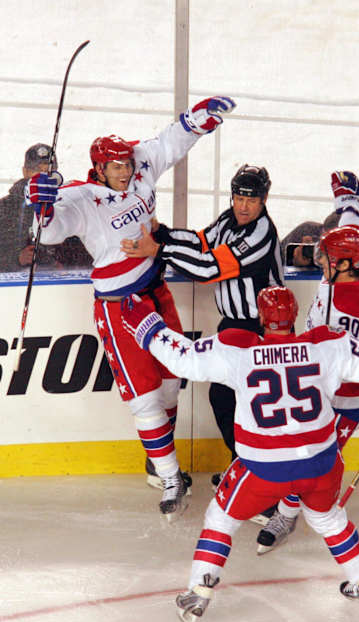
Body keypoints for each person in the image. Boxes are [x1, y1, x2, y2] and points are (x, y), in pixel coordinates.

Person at [119, 285, 359, 622]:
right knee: (328, 519)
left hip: (265, 467)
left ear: (260, 317)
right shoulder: (326, 345)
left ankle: (198, 592)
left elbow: (184, 358)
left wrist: (148, 325)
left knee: (221, 518)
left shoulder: (238, 348)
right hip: (322, 463)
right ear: (294, 315)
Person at [25, 95, 236, 520]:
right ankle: (170, 475)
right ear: (99, 168)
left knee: (172, 381)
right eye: (117, 166)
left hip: (156, 290)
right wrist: (41, 204)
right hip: (119, 307)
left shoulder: (139, 166)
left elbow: (167, 143)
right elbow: (48, 232)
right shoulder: (81, 197)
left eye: (126, 164)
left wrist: (196, 121)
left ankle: (158, 460)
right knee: (144, 398)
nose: (126, 171)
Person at [120, 164, 284, 494]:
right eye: (238, 197)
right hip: (235, 326)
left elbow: (209, 268)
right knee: (228, 400)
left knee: (240, 402)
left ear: (264, 199)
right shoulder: (229, 219)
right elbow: (201, 241)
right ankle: (247, 471)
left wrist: (160, 249)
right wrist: (163, 232)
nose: (242, 206)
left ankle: (259, 485)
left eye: (251, 200)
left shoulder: (260, 234)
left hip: (263, 331)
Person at [257, 171, 359, 553]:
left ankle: (287, 515)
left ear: (345, 264)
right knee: (306, 452)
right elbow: (351, 220)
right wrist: (347, 197)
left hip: (343, 396)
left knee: (313, 456)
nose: (318, 261)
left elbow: (326, 357)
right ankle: (291, 506)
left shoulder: (343, 309)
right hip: (328, 391)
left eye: (326, 258)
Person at [0, 143, 91, 272]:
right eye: (36, 170)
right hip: (14, 287)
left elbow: (87, 250)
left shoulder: (70, 204)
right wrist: (17, 258)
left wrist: (61, 263)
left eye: (48, 171)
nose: (42, 176)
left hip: (66, 284)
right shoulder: (4, 207)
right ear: (24, 171)